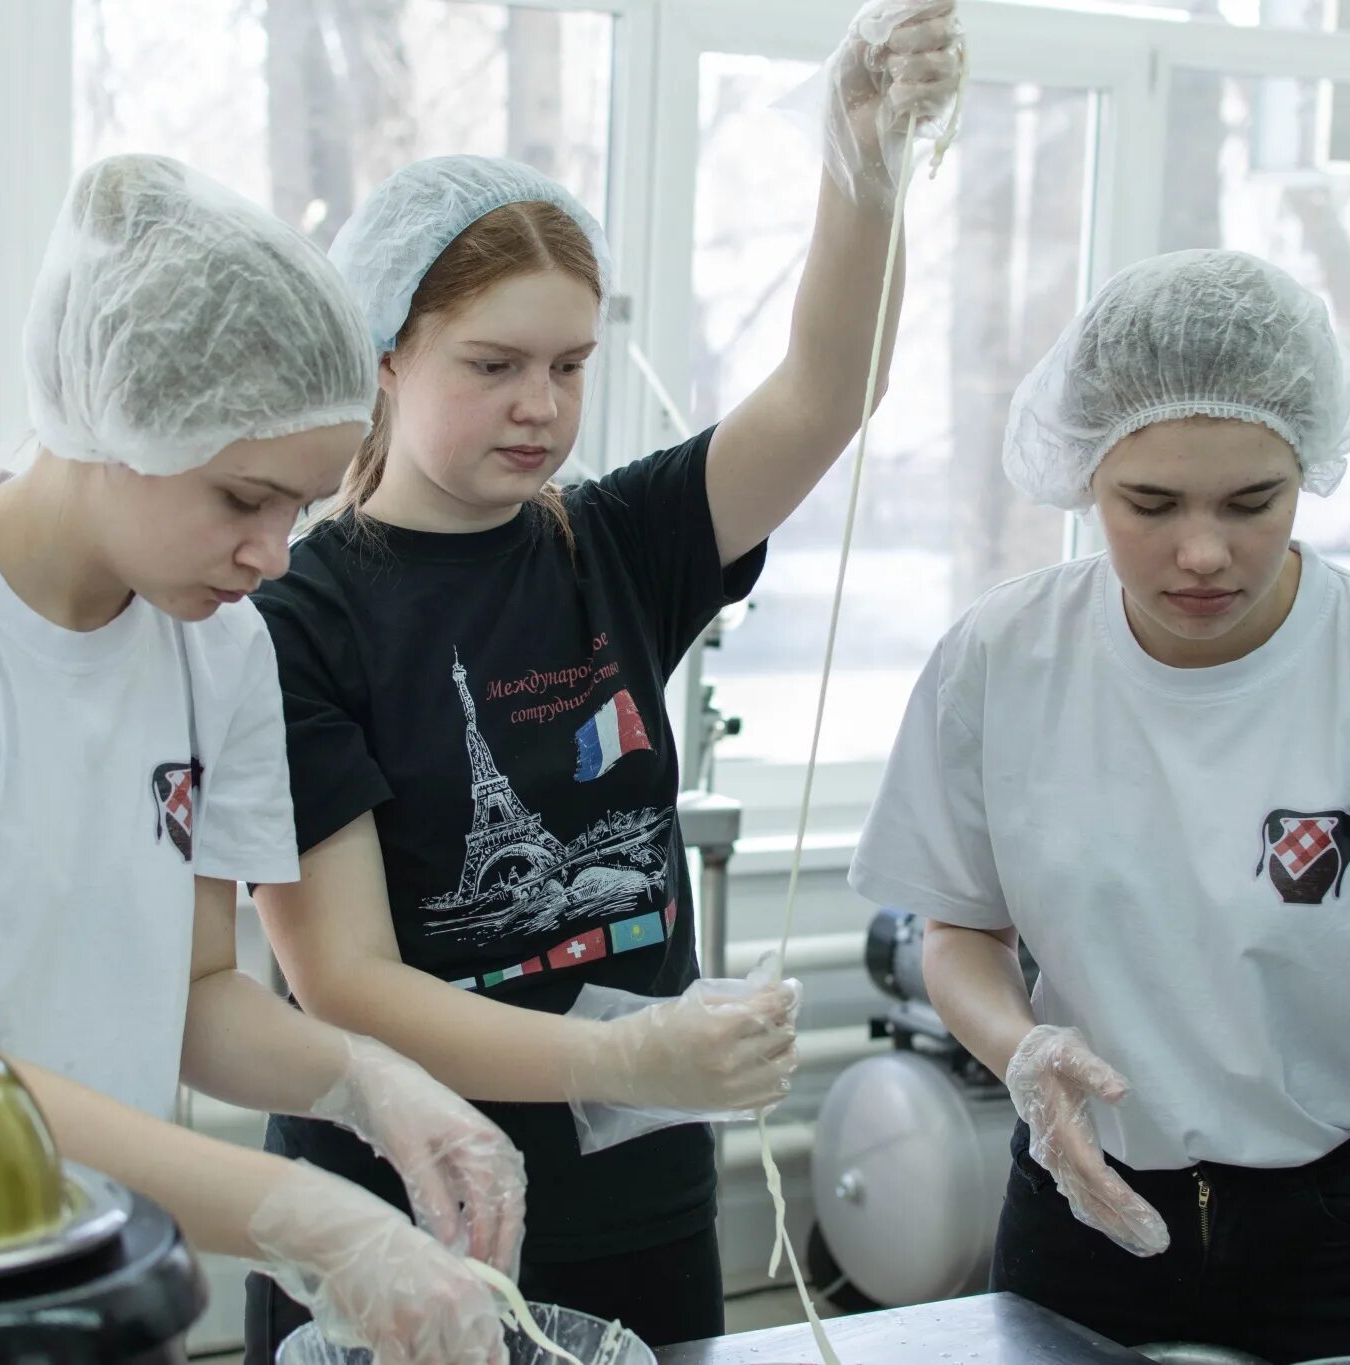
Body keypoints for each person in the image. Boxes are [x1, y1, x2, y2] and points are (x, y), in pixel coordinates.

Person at [0, 153, 524, 1365]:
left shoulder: (215, 646)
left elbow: (195, 998)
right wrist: (308, 1218)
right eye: (242, 498)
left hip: (73, 1271)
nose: (274, 555)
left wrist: (367, 1084)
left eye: (300, 509)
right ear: (117, 421)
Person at [241, 3, 965, 1357]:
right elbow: (340, 978)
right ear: (383, 359)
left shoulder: (615, 543)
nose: (543, 404)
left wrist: (860, 156)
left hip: (636, 1197)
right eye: (495, 365)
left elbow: (826, 389)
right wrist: (617, 1058)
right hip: (397, 1208)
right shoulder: (296, 613)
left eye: (569, 364)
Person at [848, 248, 1350, 1363]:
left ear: (1306, 469)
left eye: (1250, 502)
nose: (1200, 552)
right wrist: (1017, 1045)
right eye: (1147, 504)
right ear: (1080, 479)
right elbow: (958, 930)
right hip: (1084, 1205)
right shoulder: (1002, 659)